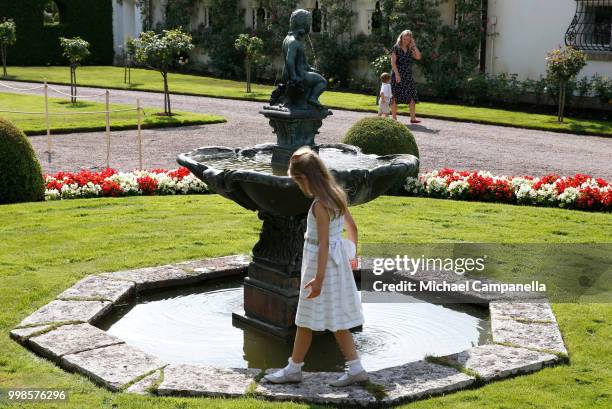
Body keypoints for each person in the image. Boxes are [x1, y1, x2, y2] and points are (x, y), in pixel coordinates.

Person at [264, 147, 367, 387]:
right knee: (326, 319)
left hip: (320, 268)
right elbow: (353, 229)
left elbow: (322, 245)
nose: (299, 186)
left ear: (306, 179)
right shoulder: (337, 194)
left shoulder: (320, 205)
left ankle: (296, 369)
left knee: (308, 320)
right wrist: (351, 254)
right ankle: (352, 368)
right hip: (336, 264)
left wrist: (318, 279)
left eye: (297, 181)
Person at [391, 29, 422, 123]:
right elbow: (393, 63)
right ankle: (394, 118)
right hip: (398, 74)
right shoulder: (396, 47)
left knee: (412, 96)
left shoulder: (410, 48)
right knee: (395, 96)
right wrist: (397, 74)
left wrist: (414, 46)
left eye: (408, 39)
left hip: (408, 75)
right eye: (405, 39)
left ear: (411, 39)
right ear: (401, 38)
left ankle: (413, 118)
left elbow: (418, 57)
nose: (406, 41)